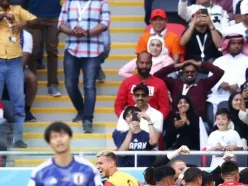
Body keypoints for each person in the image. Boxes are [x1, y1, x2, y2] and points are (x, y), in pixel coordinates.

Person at [0, 0, 38, 148]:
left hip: (14, 64)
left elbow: (37, 21)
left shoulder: (18, 10)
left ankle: (17, 138)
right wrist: (3, 15)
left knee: (18, 102)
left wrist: (24, 24)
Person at [58, 0, 110, 133]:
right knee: (70, 84)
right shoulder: (68, 2)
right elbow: (60, 24)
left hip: (93, 50)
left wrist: (87, 33)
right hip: (72, 48)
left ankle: (88, 119)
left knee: (89, 85)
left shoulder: (101, 2)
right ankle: (81, 110)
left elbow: (105, 23)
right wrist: (72, 31)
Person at [155, 60, 224, 121]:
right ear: (182, 73)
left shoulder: (203, 84)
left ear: (197, 73)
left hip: (196, 122)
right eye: (187, 72)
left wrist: (200, 64)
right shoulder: (175, 84)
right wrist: (177, 66)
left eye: (192, 72)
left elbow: (219, 73)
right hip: (177, 120)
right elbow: (157, 75)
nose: (189, 74)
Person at [207, 33, 248, 110]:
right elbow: (210, 79)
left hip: (242, 97)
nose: (236, 46)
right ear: (227, 44)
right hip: (220, 97)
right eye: (233, 43)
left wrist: (240, 86)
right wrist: (220, 85)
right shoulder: (218, 61)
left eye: (239, 43)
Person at [114, 52, 170, 119]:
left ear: (151, 64)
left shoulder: (160, 83)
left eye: (147, 63)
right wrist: (125, 120)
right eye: (141, 63)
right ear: (137, 63)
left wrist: (155, 121)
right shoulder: (127, 82)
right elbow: (118, 105)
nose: (144, 66)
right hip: (131, 123)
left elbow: (165, 107)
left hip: (152, 123)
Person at [26, 0, 62, 97]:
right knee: (32, 51)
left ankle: (53, 84)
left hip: (54, 15)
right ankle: (31, 84)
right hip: (34, 15)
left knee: (52, 50)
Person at [22, 29, 38, 122]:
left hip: (19, 67)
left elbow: (24, 59)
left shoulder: (26, 35)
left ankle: (26, 109)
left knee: (32, 78)